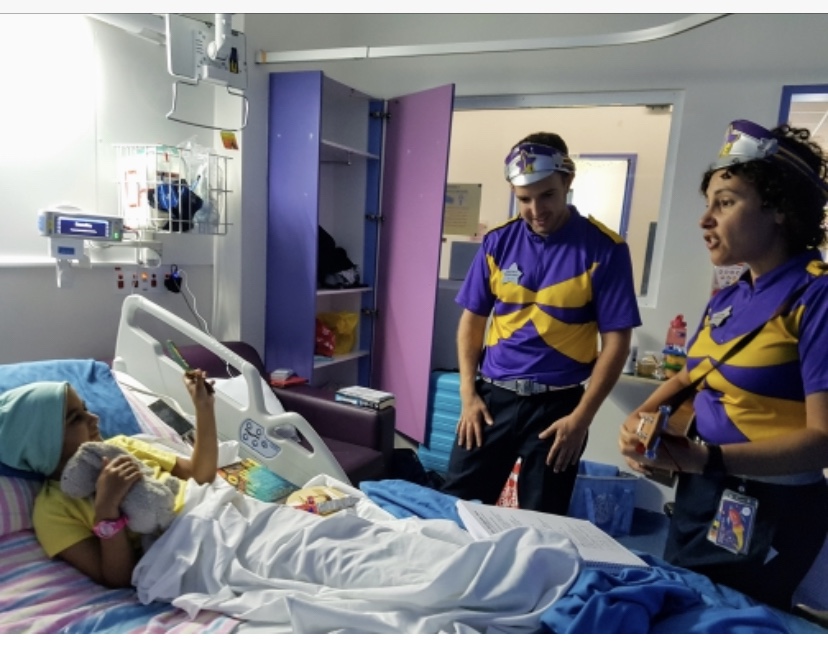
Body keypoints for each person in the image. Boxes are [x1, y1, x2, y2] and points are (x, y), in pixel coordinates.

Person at [618, 119, 828, 611]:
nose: (705, 219)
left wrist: (708, 459)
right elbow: (689, 376)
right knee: (681, 611)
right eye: (708, 203)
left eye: (726, 202)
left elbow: (823, 440)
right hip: (703, 493)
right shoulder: (729, 297)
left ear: (779, 208)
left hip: (769, 505)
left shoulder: (815, 297)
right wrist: (640, 421)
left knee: (726, 622)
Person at [442, 132, 642, 514]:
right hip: (492, 399)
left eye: (547, 195)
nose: (536, 210)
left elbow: (616, 342)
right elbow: (472, 321)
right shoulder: (497, 242)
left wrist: (581, 418)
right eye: (524, 199)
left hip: (558, 408)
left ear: (568, 181)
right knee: (457, 508)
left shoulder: (605, 249)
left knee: (543, 520)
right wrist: (468, 393)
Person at [0, 369, 216, 588]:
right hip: (182, 551)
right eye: (76, 418)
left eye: (85, 409)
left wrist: (204, 407)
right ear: (44, 443)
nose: (94, 418)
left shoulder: (120, 446)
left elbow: (200, 475)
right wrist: (106, 508)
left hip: (211, 513)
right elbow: (117, 578)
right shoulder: (53, 510)